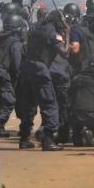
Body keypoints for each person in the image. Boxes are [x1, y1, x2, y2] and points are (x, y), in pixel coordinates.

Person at [16, 10, 69, 151]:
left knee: (29, 105)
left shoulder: (36, 30)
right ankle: (48, 140)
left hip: (26, 68)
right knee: (50, 104)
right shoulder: (52, 33)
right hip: (40, 70)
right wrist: (67, 33)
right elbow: (65, 52)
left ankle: (24, 138)